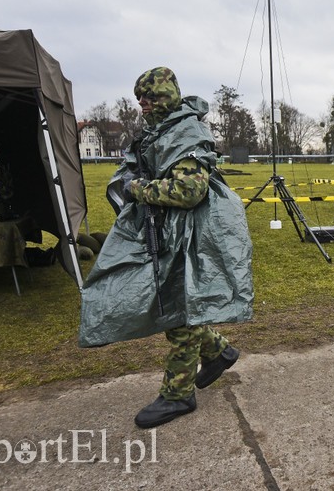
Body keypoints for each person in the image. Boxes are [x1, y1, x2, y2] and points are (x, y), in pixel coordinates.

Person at [79, 67, 254, 428]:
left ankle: (178, 395)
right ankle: (219, 352)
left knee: (178, 308)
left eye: (148, 97)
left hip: (189, 234)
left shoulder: (185, 131)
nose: (141, 103)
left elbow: (191, 191)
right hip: (167, 230)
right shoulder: (158, 130)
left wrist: (137, 189)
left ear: (166, 97)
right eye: (138, 97)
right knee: (174, 302)